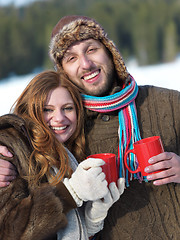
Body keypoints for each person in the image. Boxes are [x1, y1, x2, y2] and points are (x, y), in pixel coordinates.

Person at [1, 14, 180, 239]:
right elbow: (21, 131)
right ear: (63, 71)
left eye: (91, 49)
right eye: (71, 58)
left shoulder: (168, 102)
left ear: (110, 51)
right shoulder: (64, 131)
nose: (85, 64)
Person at [0, 70, 125, 240]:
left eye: (67, 108)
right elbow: (10, 232)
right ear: (31, 109)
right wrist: (71, 192)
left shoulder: (67, 151)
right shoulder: (11, 148)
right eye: (47, 110)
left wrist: (92, 220)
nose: (59, 118)